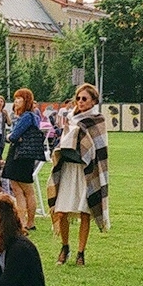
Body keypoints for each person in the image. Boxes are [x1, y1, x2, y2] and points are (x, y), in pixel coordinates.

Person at [47, 83, 109, 266]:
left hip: (86, 170)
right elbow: (64, 140)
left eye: (84, 99)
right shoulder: (70, 117)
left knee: (85, 211)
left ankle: (81, 252)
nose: (80, 102)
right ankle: (64, 246)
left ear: (93, 101)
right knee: (61, 210)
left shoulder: (97, 120)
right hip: (68, 167)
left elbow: (98, 147)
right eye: (78, 98)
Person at [3, 88, 43, 231]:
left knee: (26, 189)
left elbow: (13, 136)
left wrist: (9, 137)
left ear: (26, 101)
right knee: (18, 189)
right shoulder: (30, 116)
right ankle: (22, 222)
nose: (16, 101)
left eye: (19, 99)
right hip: (21, 155)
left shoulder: (27, 116)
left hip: (20, 156)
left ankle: (29, 221)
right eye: (15, 99)